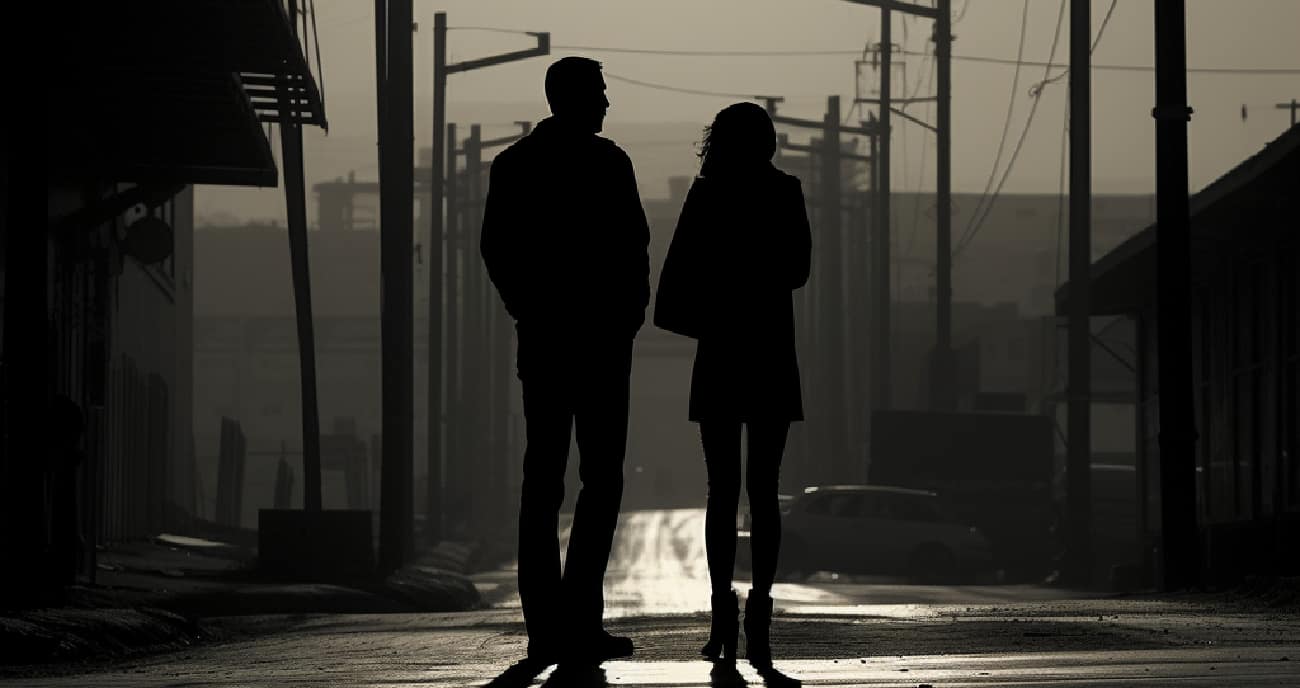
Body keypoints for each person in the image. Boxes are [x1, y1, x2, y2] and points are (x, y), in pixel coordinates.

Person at [480, 56, 651, 666]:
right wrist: (622, 317)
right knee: (595, 480)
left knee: (546, 481)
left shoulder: (517, 165)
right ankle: (574, 621)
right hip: (594, 345)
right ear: (573, 98)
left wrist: (530, 310)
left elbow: (498, 251)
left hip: (555, 342)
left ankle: (552, 625)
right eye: (599, 93)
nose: (607, 104)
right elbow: (634, 249)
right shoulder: (608, 165)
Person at [654, 102, 811, 666]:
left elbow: (674, 278)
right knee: (763, 491)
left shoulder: (708, 194)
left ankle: (722, 612)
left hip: (721, 352)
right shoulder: (785, 192)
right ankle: (759, 613)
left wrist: (718, 291)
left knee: (722, 492)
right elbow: (797, 270)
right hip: (769, 351)